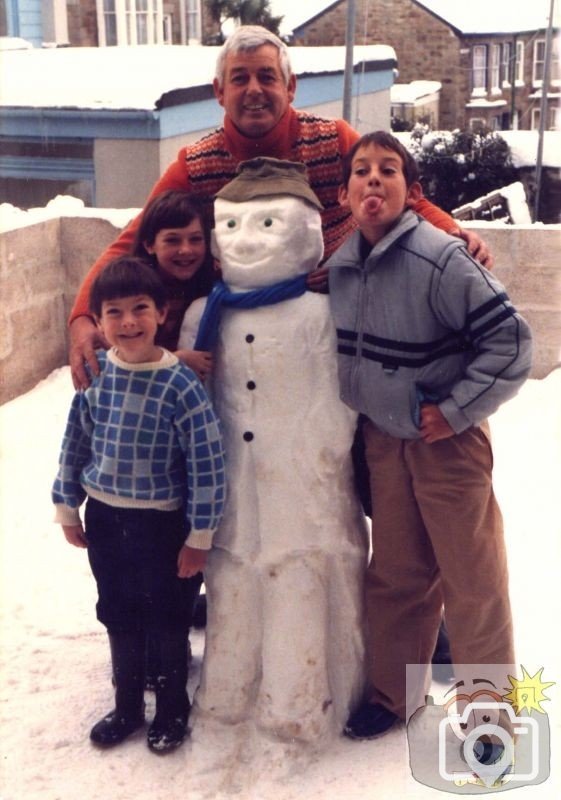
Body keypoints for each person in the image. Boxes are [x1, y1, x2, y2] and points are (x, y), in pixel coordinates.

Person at [68, 25, 493, 392]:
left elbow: (406, 200)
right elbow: (131, 242)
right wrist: (83, 318)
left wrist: (453, 236)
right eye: (239, 78)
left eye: (266, 77)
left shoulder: (333, 140)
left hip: (333, 320)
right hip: (239, 332)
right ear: (220, 91)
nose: (254, 90)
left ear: (290, 87)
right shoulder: (195, 164)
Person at [326, 131, 532, 740]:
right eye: (360, 171)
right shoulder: (340, 267)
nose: (372, 180)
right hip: (384, 441)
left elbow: (513, 343)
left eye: (388, 170)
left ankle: (490, 715)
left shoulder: (439, 257)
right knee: (396, 574)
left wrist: (456, 410)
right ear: (343, 194)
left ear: (411, 192)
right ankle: (395, 696)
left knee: (472, 579)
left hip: (447, 441)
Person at [52, 257, 226, 753]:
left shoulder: (180, 385)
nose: (128, 322)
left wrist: (199, 537)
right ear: (99, 322)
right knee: (119, 612)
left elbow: (207, 465)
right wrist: (67, 505)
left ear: (160, 313)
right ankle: (127, 705)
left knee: (167, 618)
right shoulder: (98, 374)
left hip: (163, 527)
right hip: (106, 520)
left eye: (140, 309)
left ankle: (172, 709)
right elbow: (75, 443)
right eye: (114, 313)